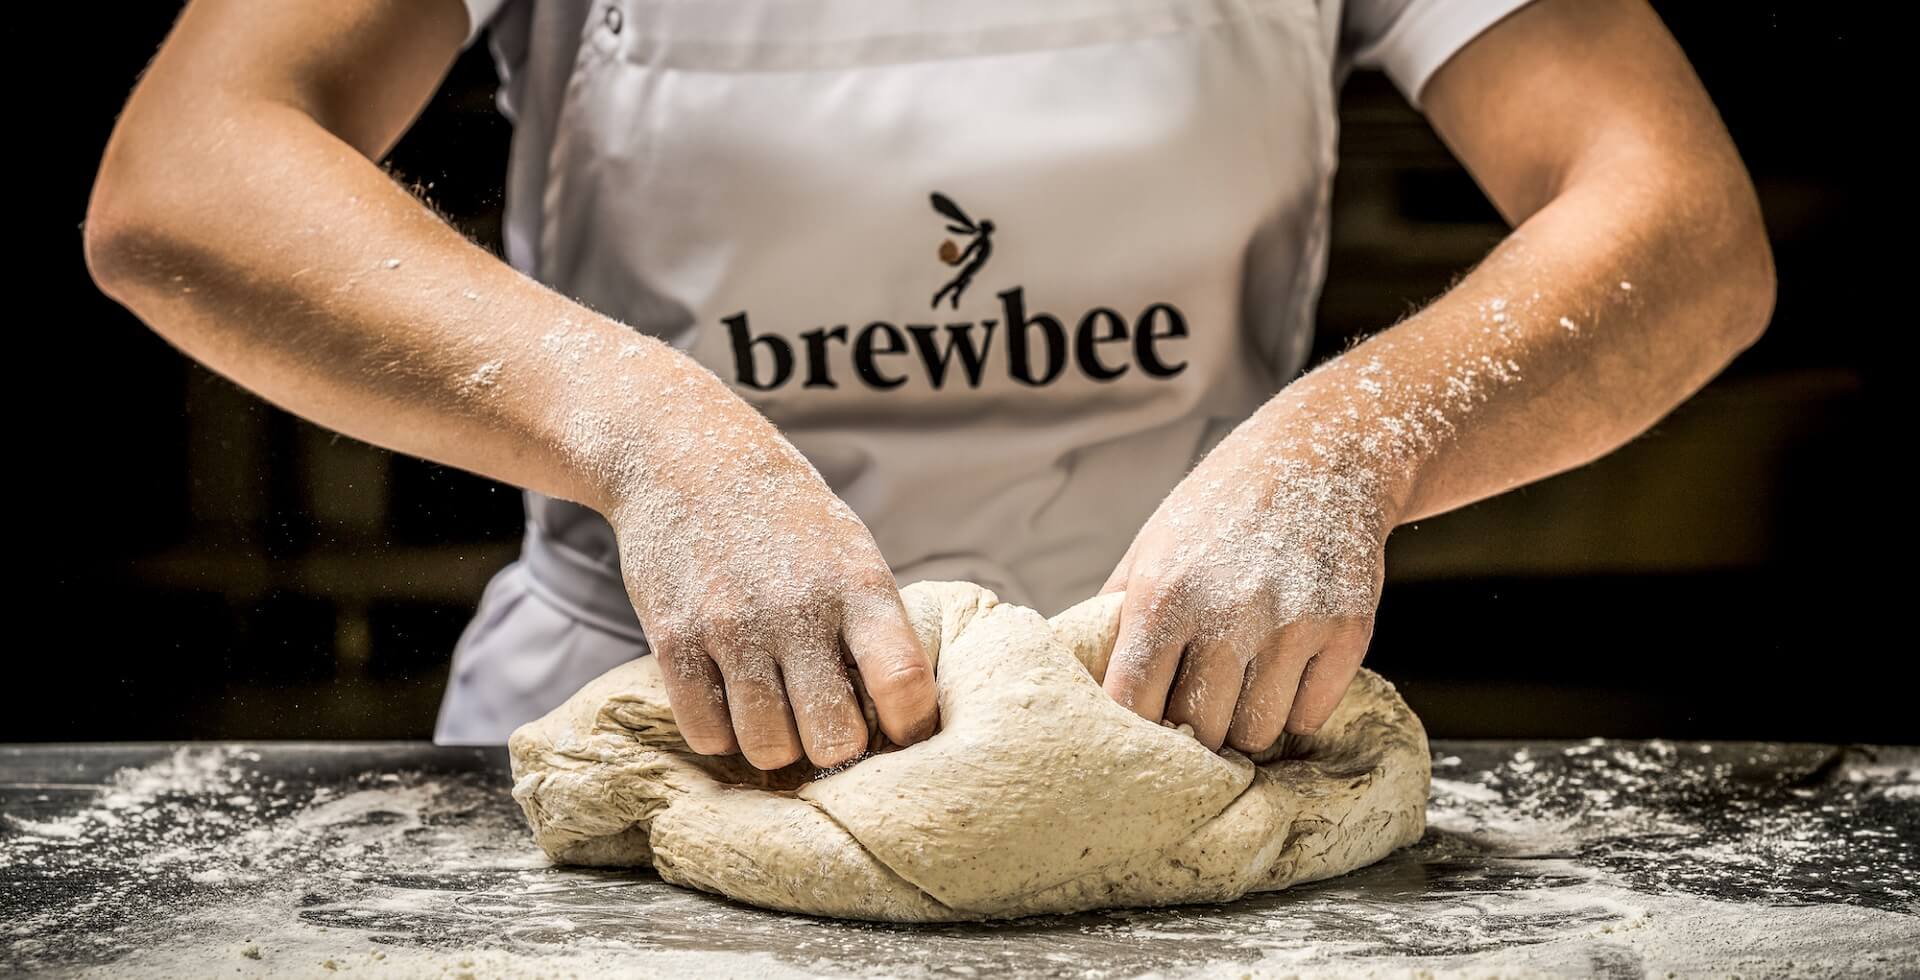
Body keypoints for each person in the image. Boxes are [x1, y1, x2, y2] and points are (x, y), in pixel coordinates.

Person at [85, 0, 1773, 770]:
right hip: (657, 722)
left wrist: (1352, 441)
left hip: (1170, 726)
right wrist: (650, 428)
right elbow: (187, 175)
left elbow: (1680, 223)